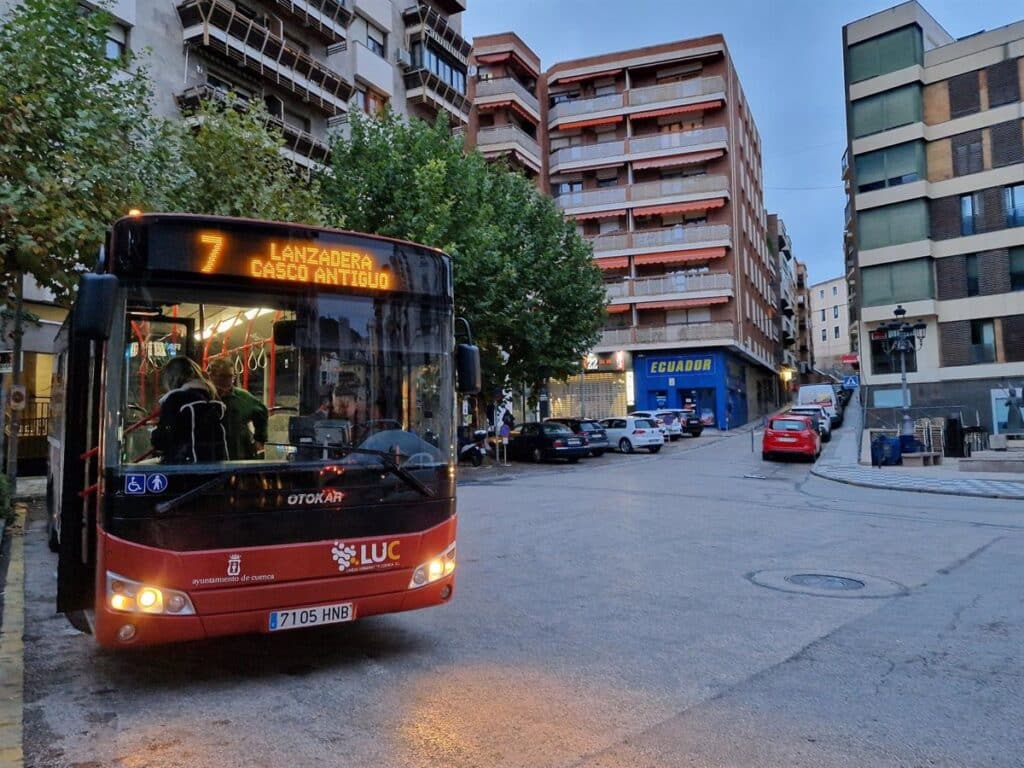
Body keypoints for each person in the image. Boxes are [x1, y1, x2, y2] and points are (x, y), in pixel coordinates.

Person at [151, 357, 228, 463]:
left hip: (184, 468)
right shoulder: (212, 397)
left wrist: (154, 433)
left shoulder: (176, 399)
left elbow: (162, 440)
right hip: (215, 466)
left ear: (172, 378)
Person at [206, 357, 269, 460]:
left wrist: (259, 439)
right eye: (223, 376)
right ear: (210, 376)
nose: (227, 380)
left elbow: (262, 411)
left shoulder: (242, 397)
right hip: (211, 454)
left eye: (230, 376)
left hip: (238, 454)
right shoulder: (203, 397)